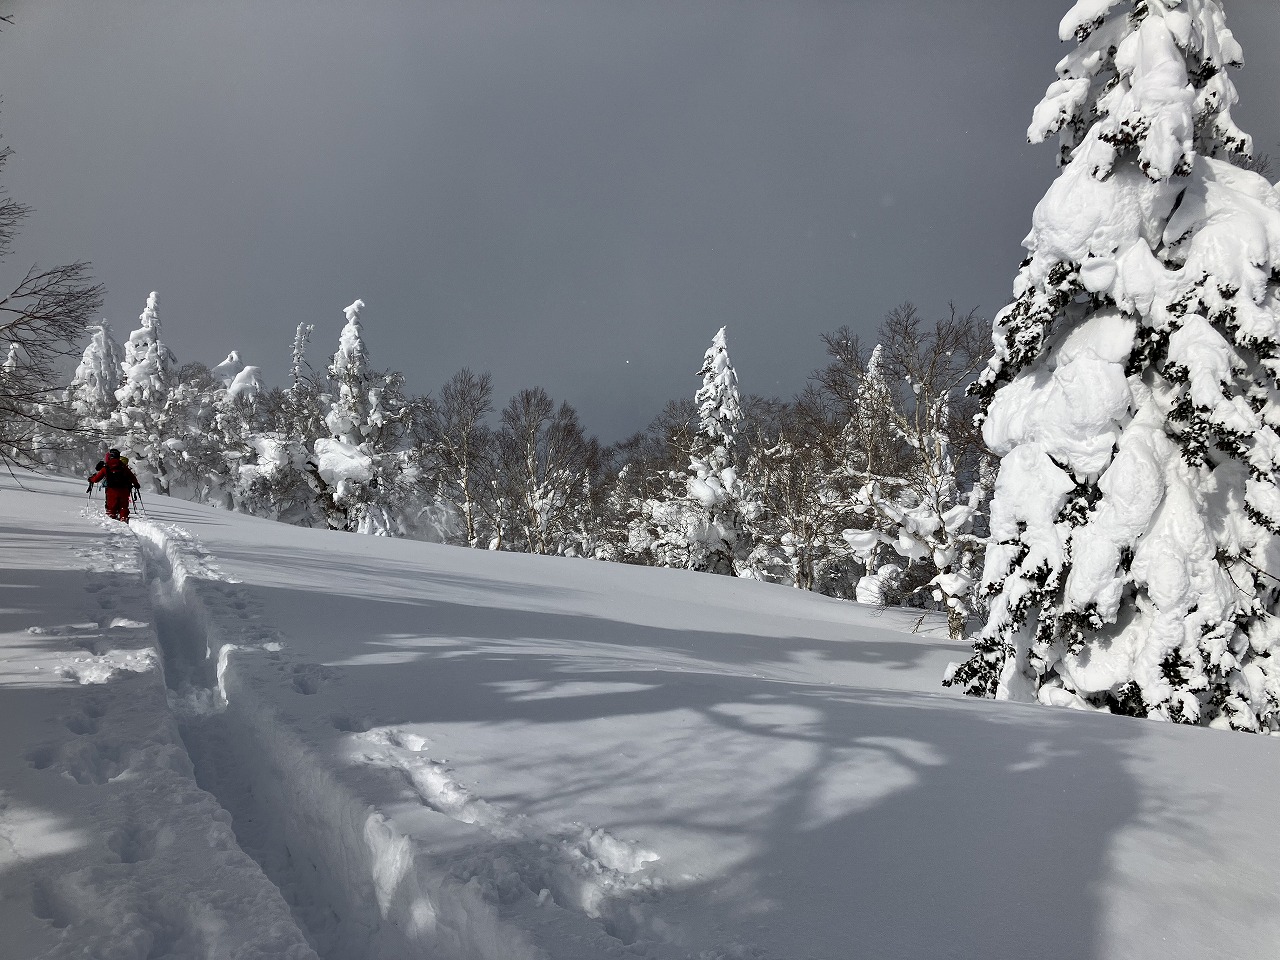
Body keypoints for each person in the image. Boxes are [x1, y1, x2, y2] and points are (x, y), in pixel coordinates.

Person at [87, 448, 141, 523]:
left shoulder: (106, 467)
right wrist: (136, 484)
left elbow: (96, 479)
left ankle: (113, 521)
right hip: (124, 490)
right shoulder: (123, 466)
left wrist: (91, 479)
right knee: (123, 506)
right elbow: (132, 477)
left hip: (112, 490)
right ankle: (123, 518)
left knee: (111, 508)